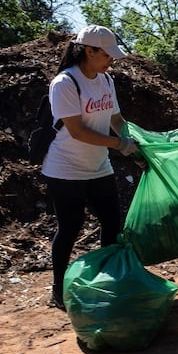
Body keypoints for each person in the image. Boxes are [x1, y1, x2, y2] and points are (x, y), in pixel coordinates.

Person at [42, 25, 139, 309]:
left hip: (99, 166)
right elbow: (77, 132)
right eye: (106, 55)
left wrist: (132, 138)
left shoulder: (106, 80)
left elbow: (116, 119)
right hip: (66, 169)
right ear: (89, 51)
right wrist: (117, 144)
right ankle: (58, 289)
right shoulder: (65, 83)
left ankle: (106, 282)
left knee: (111, 224)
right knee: (70, 228)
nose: (111, 60)